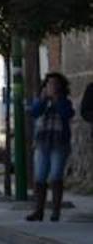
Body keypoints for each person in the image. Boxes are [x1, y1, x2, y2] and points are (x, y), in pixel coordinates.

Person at [26, 72, 75, 223]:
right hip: (42, 143)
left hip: (59, 143)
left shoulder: (64, 101)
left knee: (55, 176)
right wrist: (43, 99)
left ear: (60, 86)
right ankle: (38, 210)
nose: (51, 86)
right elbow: (34, 112)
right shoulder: (40, 100)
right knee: (40, 177)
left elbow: (67, 114)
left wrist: (56, 99)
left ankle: (55, 212)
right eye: (49, 84)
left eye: (55, 84)